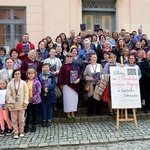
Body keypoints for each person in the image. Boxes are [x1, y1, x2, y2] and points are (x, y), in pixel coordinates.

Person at [6, 69, 29, 139]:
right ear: (13, 75)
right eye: (16, 74)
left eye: (18, 74)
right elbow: (8, 94)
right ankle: (16, 131)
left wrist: (25, 102)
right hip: (13, 104)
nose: (17, 75)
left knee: (21, 119)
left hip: (22, 104)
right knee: (14, 119)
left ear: (20, 75)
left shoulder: (23, 83)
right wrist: (10, 102)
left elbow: (26, 93)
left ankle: (21, 130)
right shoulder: (10, 83)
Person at [58, 53, 81, 119]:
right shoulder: (63, 66)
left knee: (74, 99)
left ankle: (73, 112)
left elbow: (79, 74)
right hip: (66, 85)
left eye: (70, 57)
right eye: (68, 57)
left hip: (75, 85)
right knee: (67, 99)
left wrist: (78, 79)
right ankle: (68, 113)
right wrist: (61, 84)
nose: (69, 58)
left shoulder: (76, 65)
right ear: (66, 58)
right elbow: (61, 76)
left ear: (72, 58)